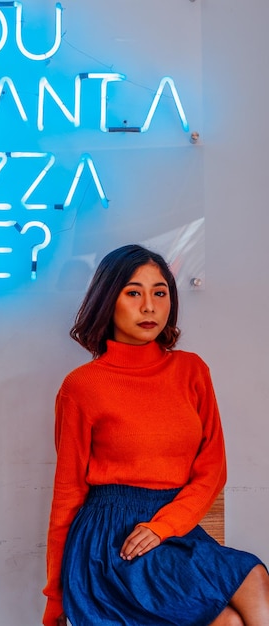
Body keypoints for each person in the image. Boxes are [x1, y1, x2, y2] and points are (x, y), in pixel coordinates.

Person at [42, 244, 269, 626]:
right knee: (226, 621)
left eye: (159, 292)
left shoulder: (191, 371)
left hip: (176, 528)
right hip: (112, 543)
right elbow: (67, 494)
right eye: (134, 293)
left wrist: (165, 526)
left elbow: (213, 469)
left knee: (253, 577)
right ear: (108, 300)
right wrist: (55, 601)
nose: (149, 306)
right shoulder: (81, 386)